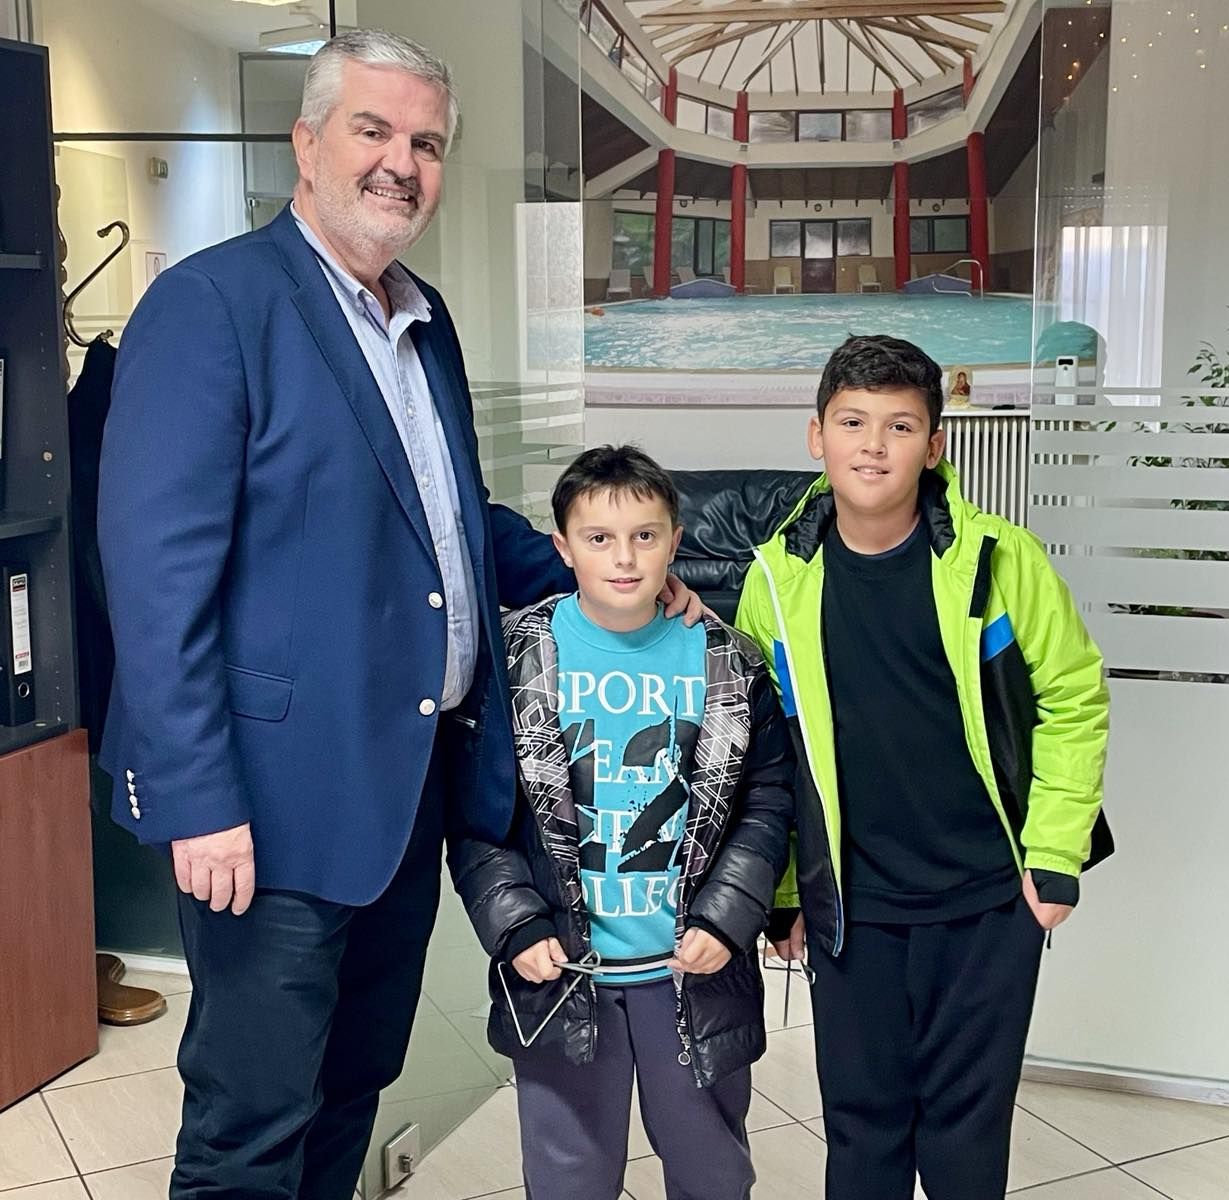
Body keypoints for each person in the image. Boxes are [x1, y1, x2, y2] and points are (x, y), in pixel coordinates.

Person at [97, 31, 701, 1199]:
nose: (400, 163)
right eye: (372, 130)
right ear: (306, 142)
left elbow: (448, 522)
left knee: (351, 1087)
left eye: (425, 143)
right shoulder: (212, 305)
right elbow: (155, 576)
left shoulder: (423, 321)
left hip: (401, 792)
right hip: (264, 811)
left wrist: (595, 570)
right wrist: (198, 799)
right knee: (249, 1125)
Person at [734, 335, 1111, 1200]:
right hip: (852, 908)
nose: (873, 446)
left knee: (965, 1134)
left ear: (934, 445)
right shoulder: (775, 583)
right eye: (852, 422)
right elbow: (770, 752)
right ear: (816, 437)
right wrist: (784, 891)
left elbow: (1075, 698)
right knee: (861, 1130)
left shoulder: (1002, 561)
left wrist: (1054, 855)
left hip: (988, 902)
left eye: (900, 426)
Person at [451, 446, 794, 1200]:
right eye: (600, 538)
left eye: (645, 535)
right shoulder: (514, 662)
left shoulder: (728, 662)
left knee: (711, 1172)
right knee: (568, 1177)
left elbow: (767, 802)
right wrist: (516, 925)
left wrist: (728, 916)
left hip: (691, 974)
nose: (626, 557)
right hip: (563, 976)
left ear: (676, 542)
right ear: (563, 548)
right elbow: (477, 818)